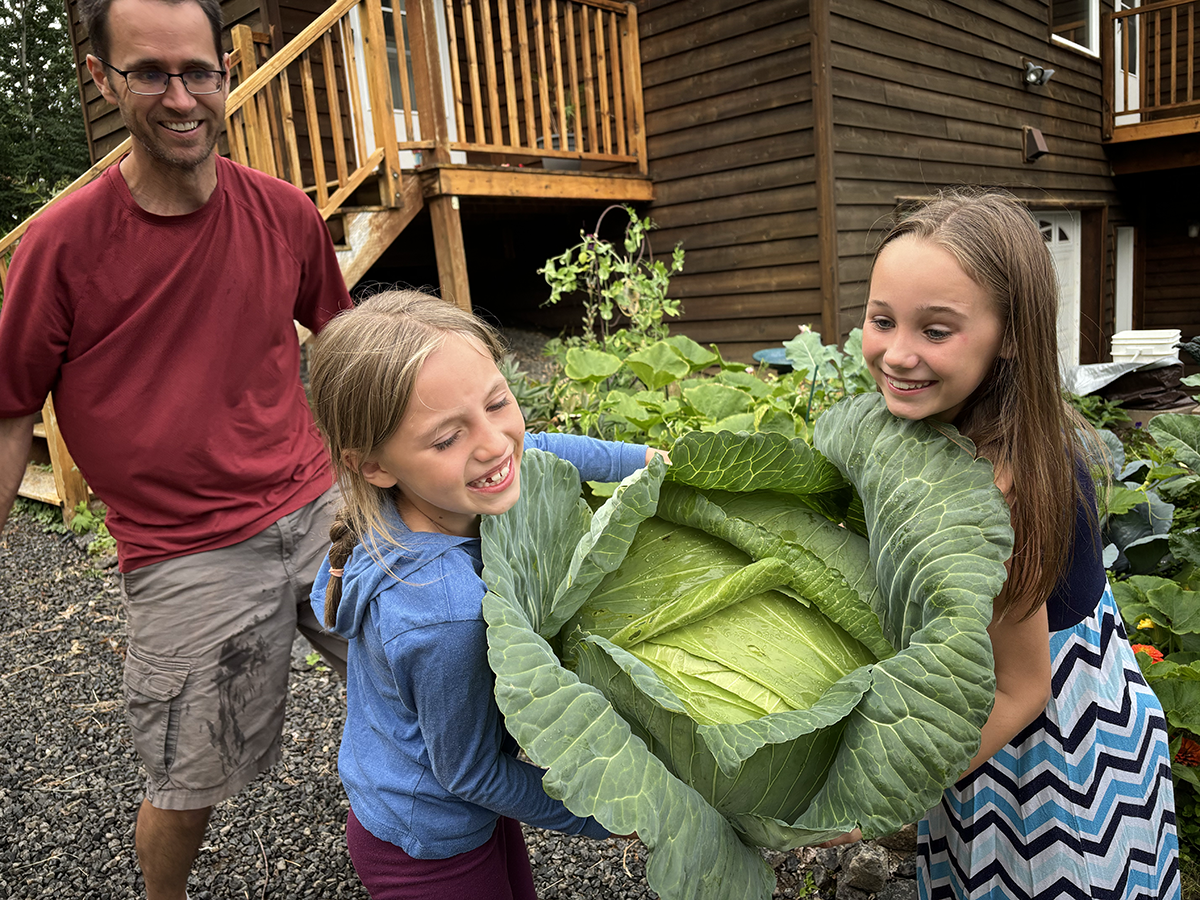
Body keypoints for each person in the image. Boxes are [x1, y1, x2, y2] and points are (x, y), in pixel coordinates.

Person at [0, 0, 354, 896]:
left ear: (224, 73)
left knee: (431, 677)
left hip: (320, 511)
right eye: (150, 73)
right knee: (188, 780)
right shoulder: (58, 246)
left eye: (199, 70)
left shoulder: (282, 213)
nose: (181, 96)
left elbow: (352, 351)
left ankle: (418, 845)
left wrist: (390, 478)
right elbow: (10, 410)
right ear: (101, 79)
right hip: (185, 553)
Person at [831, 189, 1180, 899]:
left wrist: (875, 796)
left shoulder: (1005, 485)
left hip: (1048, 753)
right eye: (881, 320)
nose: (897, 354)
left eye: (936, 331)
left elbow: (1023, 688)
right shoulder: (943, 425)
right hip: (979, 713)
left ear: (1011, 334)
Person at [306, 290, 661, 900]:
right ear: (372, 466)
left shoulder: (422, 502)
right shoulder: (444, 616)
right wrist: (613, 814)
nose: (496, 443)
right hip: (426, 841)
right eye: (447, 440)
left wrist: (653, 461)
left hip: (432, 798)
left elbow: (543, 450)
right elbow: (471, 773)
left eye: (498, 402)